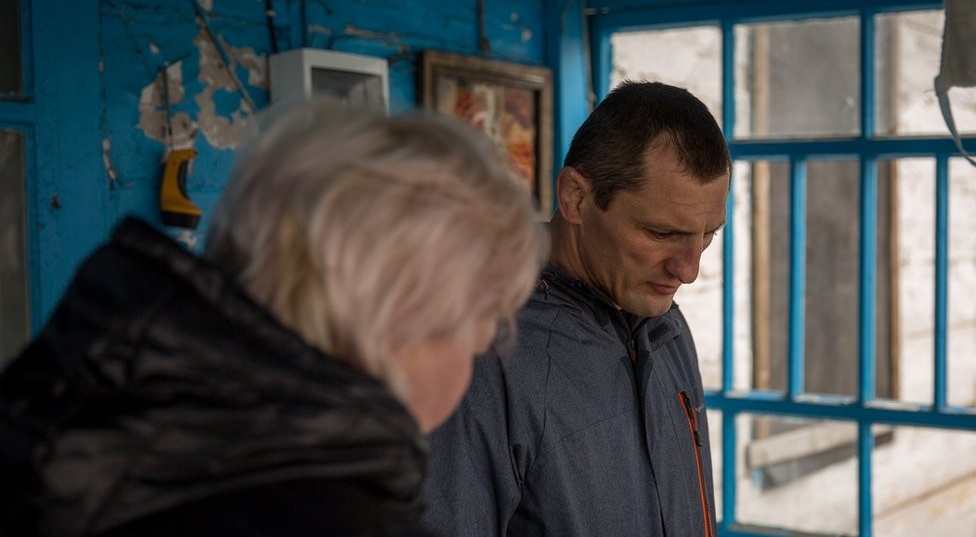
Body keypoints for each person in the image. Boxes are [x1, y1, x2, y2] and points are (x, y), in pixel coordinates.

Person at [0, 101, 548, 537]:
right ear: (400, 321)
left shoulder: (54, 417)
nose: (477, 358)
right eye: (481, 328)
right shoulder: (340, 517)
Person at [423, 81, 731, 537]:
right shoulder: (475, 353)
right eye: (662, 234)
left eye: (707, 236)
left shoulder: (668, 326)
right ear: (576, 198)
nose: (689, 271)